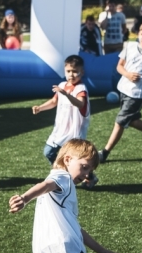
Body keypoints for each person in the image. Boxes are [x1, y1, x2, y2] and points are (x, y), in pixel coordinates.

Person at [96, 22, 142, 163]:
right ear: (138, 34)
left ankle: (104, 153)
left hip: (138, 93)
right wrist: (128, 74)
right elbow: (119, 66)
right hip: (124, 88)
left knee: (120, 122)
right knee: (133, 120)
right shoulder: (129, 46)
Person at [31, 55, 98, 186]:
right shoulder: (62, 85)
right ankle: (63, 173)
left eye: (75, 71)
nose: (71, 75)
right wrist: (40, 108)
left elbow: (80, 104)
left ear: (82, 72)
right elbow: (54, 101)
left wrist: (66, 94)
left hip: (74, 131)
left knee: (76, 157)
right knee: (48, 152)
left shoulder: (80, 89)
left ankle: (89, 177)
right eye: (68, 71)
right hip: (60, 129)